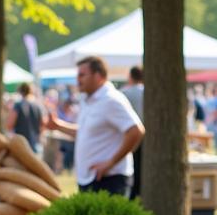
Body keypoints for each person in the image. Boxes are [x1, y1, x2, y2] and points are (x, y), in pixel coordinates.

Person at [46, 55, 144, 197]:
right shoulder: (89, 99)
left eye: (82, 75)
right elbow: (85, 132)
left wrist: (110, 162)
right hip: (91, 179)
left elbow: (136, 131)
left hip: (109, 180)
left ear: (98, 76)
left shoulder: (111, 100)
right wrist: (57, 125)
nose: (78, 80)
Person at [121, 68, 145, 198]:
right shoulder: (148, 92)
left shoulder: (124, 93)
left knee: (133, 166)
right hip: (147, 138)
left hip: (130, 135)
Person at [8, 82, 46, 153]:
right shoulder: (38, 106)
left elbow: (9, 124)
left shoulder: (18, 105)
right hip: (34, 144)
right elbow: (43, 124)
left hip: (20, 144)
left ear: (20, 91)